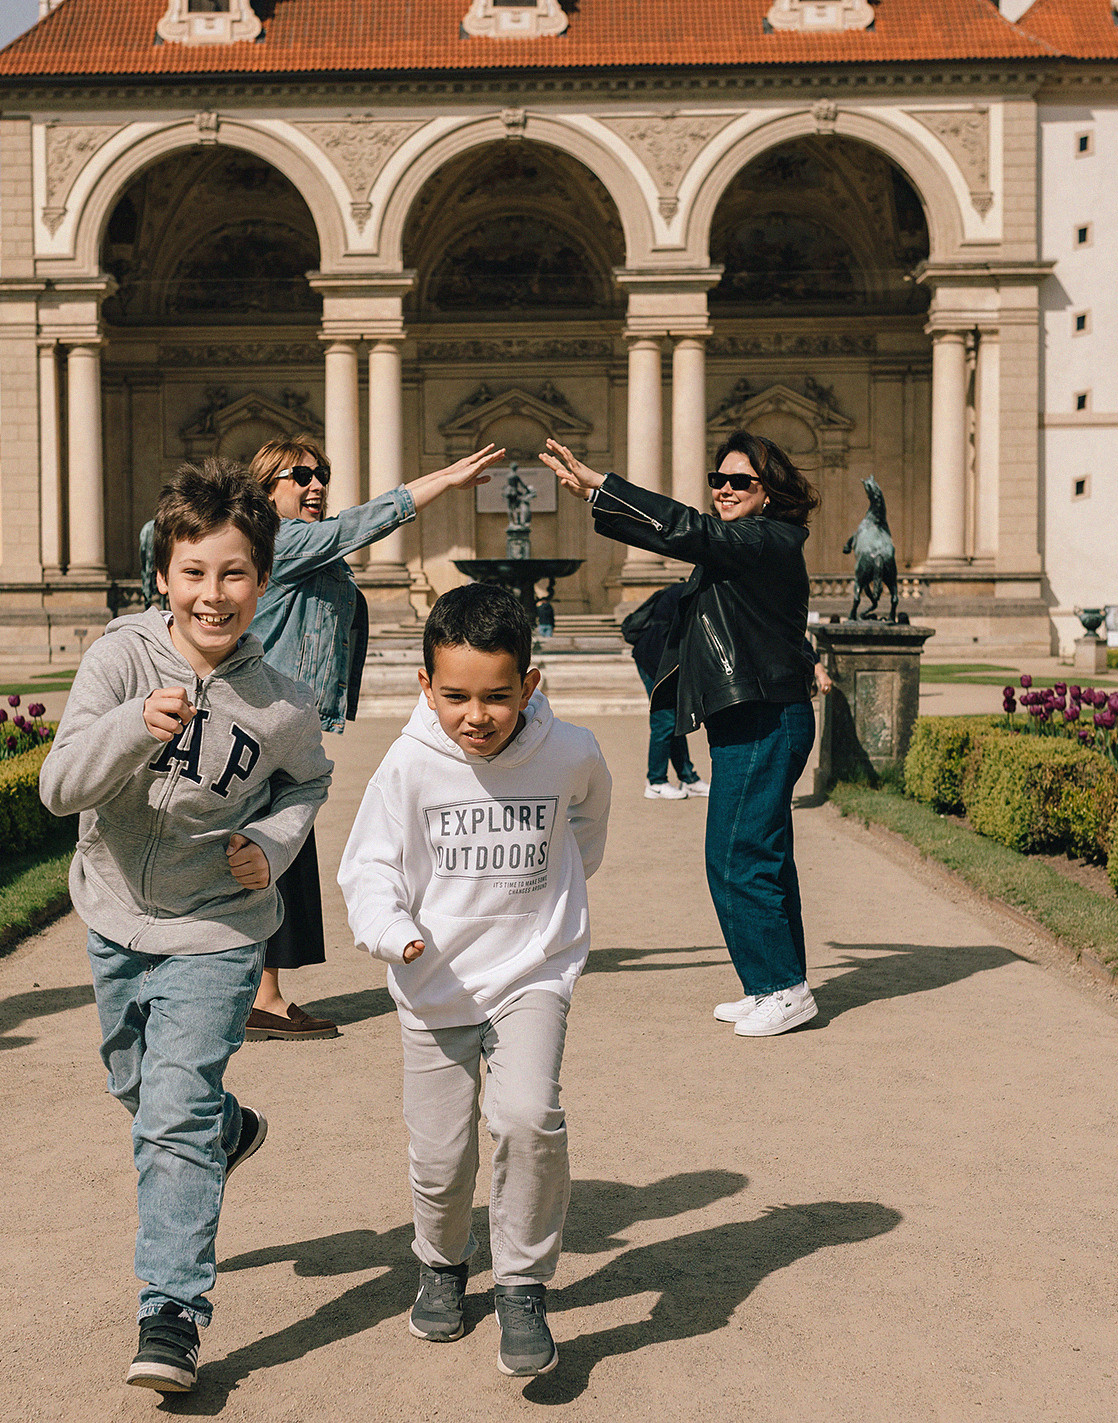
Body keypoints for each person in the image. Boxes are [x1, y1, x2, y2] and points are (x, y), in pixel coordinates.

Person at [38, 459, 334, 1393]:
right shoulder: (119, 660)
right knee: (137, 1082)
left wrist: (273, 842)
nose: (214, 593)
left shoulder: (283, 702)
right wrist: (134, 725)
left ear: (263, 579)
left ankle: (171, 1312)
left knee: (171, 1116)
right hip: (114, 913)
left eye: (234, 572)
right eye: (194, 571)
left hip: (219, 928)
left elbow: (309, 782)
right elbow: (59, 789)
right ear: (163, 575)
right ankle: (227, 1129)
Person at [338, 582, 611, 1379]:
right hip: (434, 982)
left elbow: (587, 821)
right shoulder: (408, 764)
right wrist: (392, 931)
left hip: (533, 971)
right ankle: (442, 1263)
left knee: (528, 1117)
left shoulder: (571, 750)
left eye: (497, 695)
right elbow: (369, 866)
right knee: (441, 1156)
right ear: (426, 686)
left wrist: (560, 887)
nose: (476, 715)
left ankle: (522, 1283)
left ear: (530, 684)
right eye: (455, 696)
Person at [541, 430, 822, 1038]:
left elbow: (687, 529)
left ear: (769, 492)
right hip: (752, 716)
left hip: (765, 716)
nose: (725, 489)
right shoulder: (746, 545)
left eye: (740, 481)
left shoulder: (767, 540)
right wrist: (598, 502)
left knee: (738, 854)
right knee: (761, 854)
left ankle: (781, 988)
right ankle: (777, 983)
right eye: (719, 480)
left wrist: (604, 485)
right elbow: (679, 535)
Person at [242, 434, 503, 1041]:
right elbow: (365, 523)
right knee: (272, 853)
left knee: (276, 851)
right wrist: (441, 482)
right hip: (266, 721)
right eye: (299, 476)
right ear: (266, 490)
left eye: (321, 475)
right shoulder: (279, 541)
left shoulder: (307, 548)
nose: (316, 485)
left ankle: (254, 992)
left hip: (284, 724)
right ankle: (260, 998)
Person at [619, 582, 708, 799]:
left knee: (673, 720)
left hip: (660, 657)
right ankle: (656, 782)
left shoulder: (689, 590)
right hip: (654, 660)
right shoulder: (693, 593)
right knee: (665, 720)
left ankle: (689, 779)